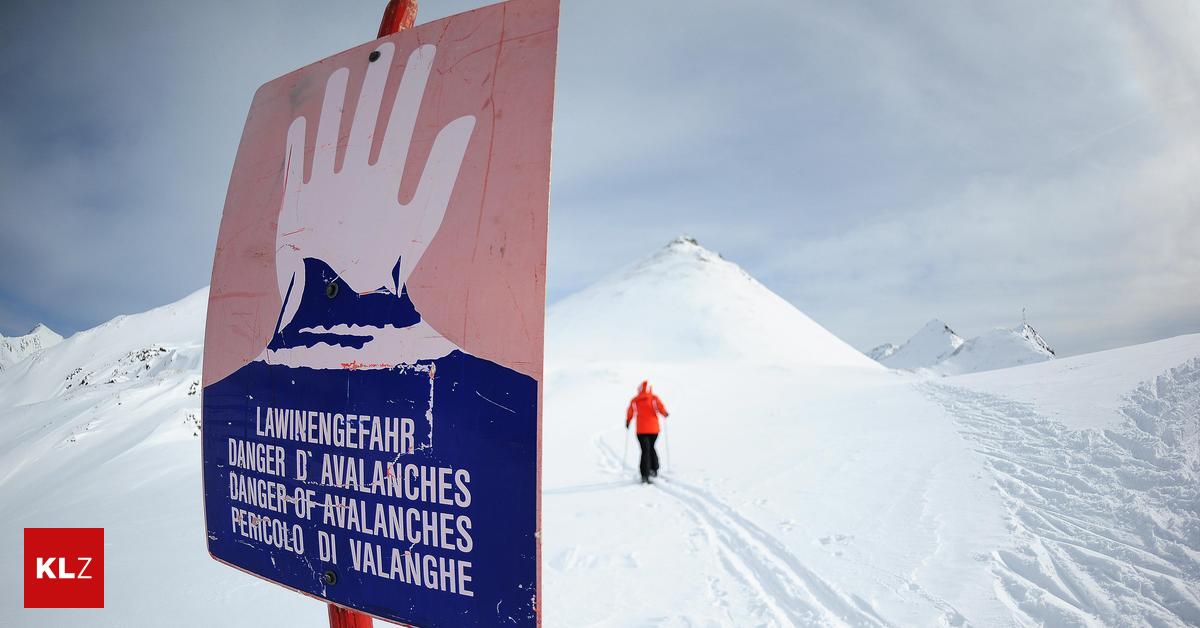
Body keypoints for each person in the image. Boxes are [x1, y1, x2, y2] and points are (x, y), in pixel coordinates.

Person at [626, 381, 669, 484]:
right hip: (654, 430)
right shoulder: (654, 398)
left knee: (645, 450)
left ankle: (645, 474)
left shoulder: (635, 400)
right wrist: (665, 413)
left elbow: (630, 412)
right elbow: (661, 408)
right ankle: (654, 469)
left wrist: (628, 421)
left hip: (641, 431)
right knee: (651, 447)